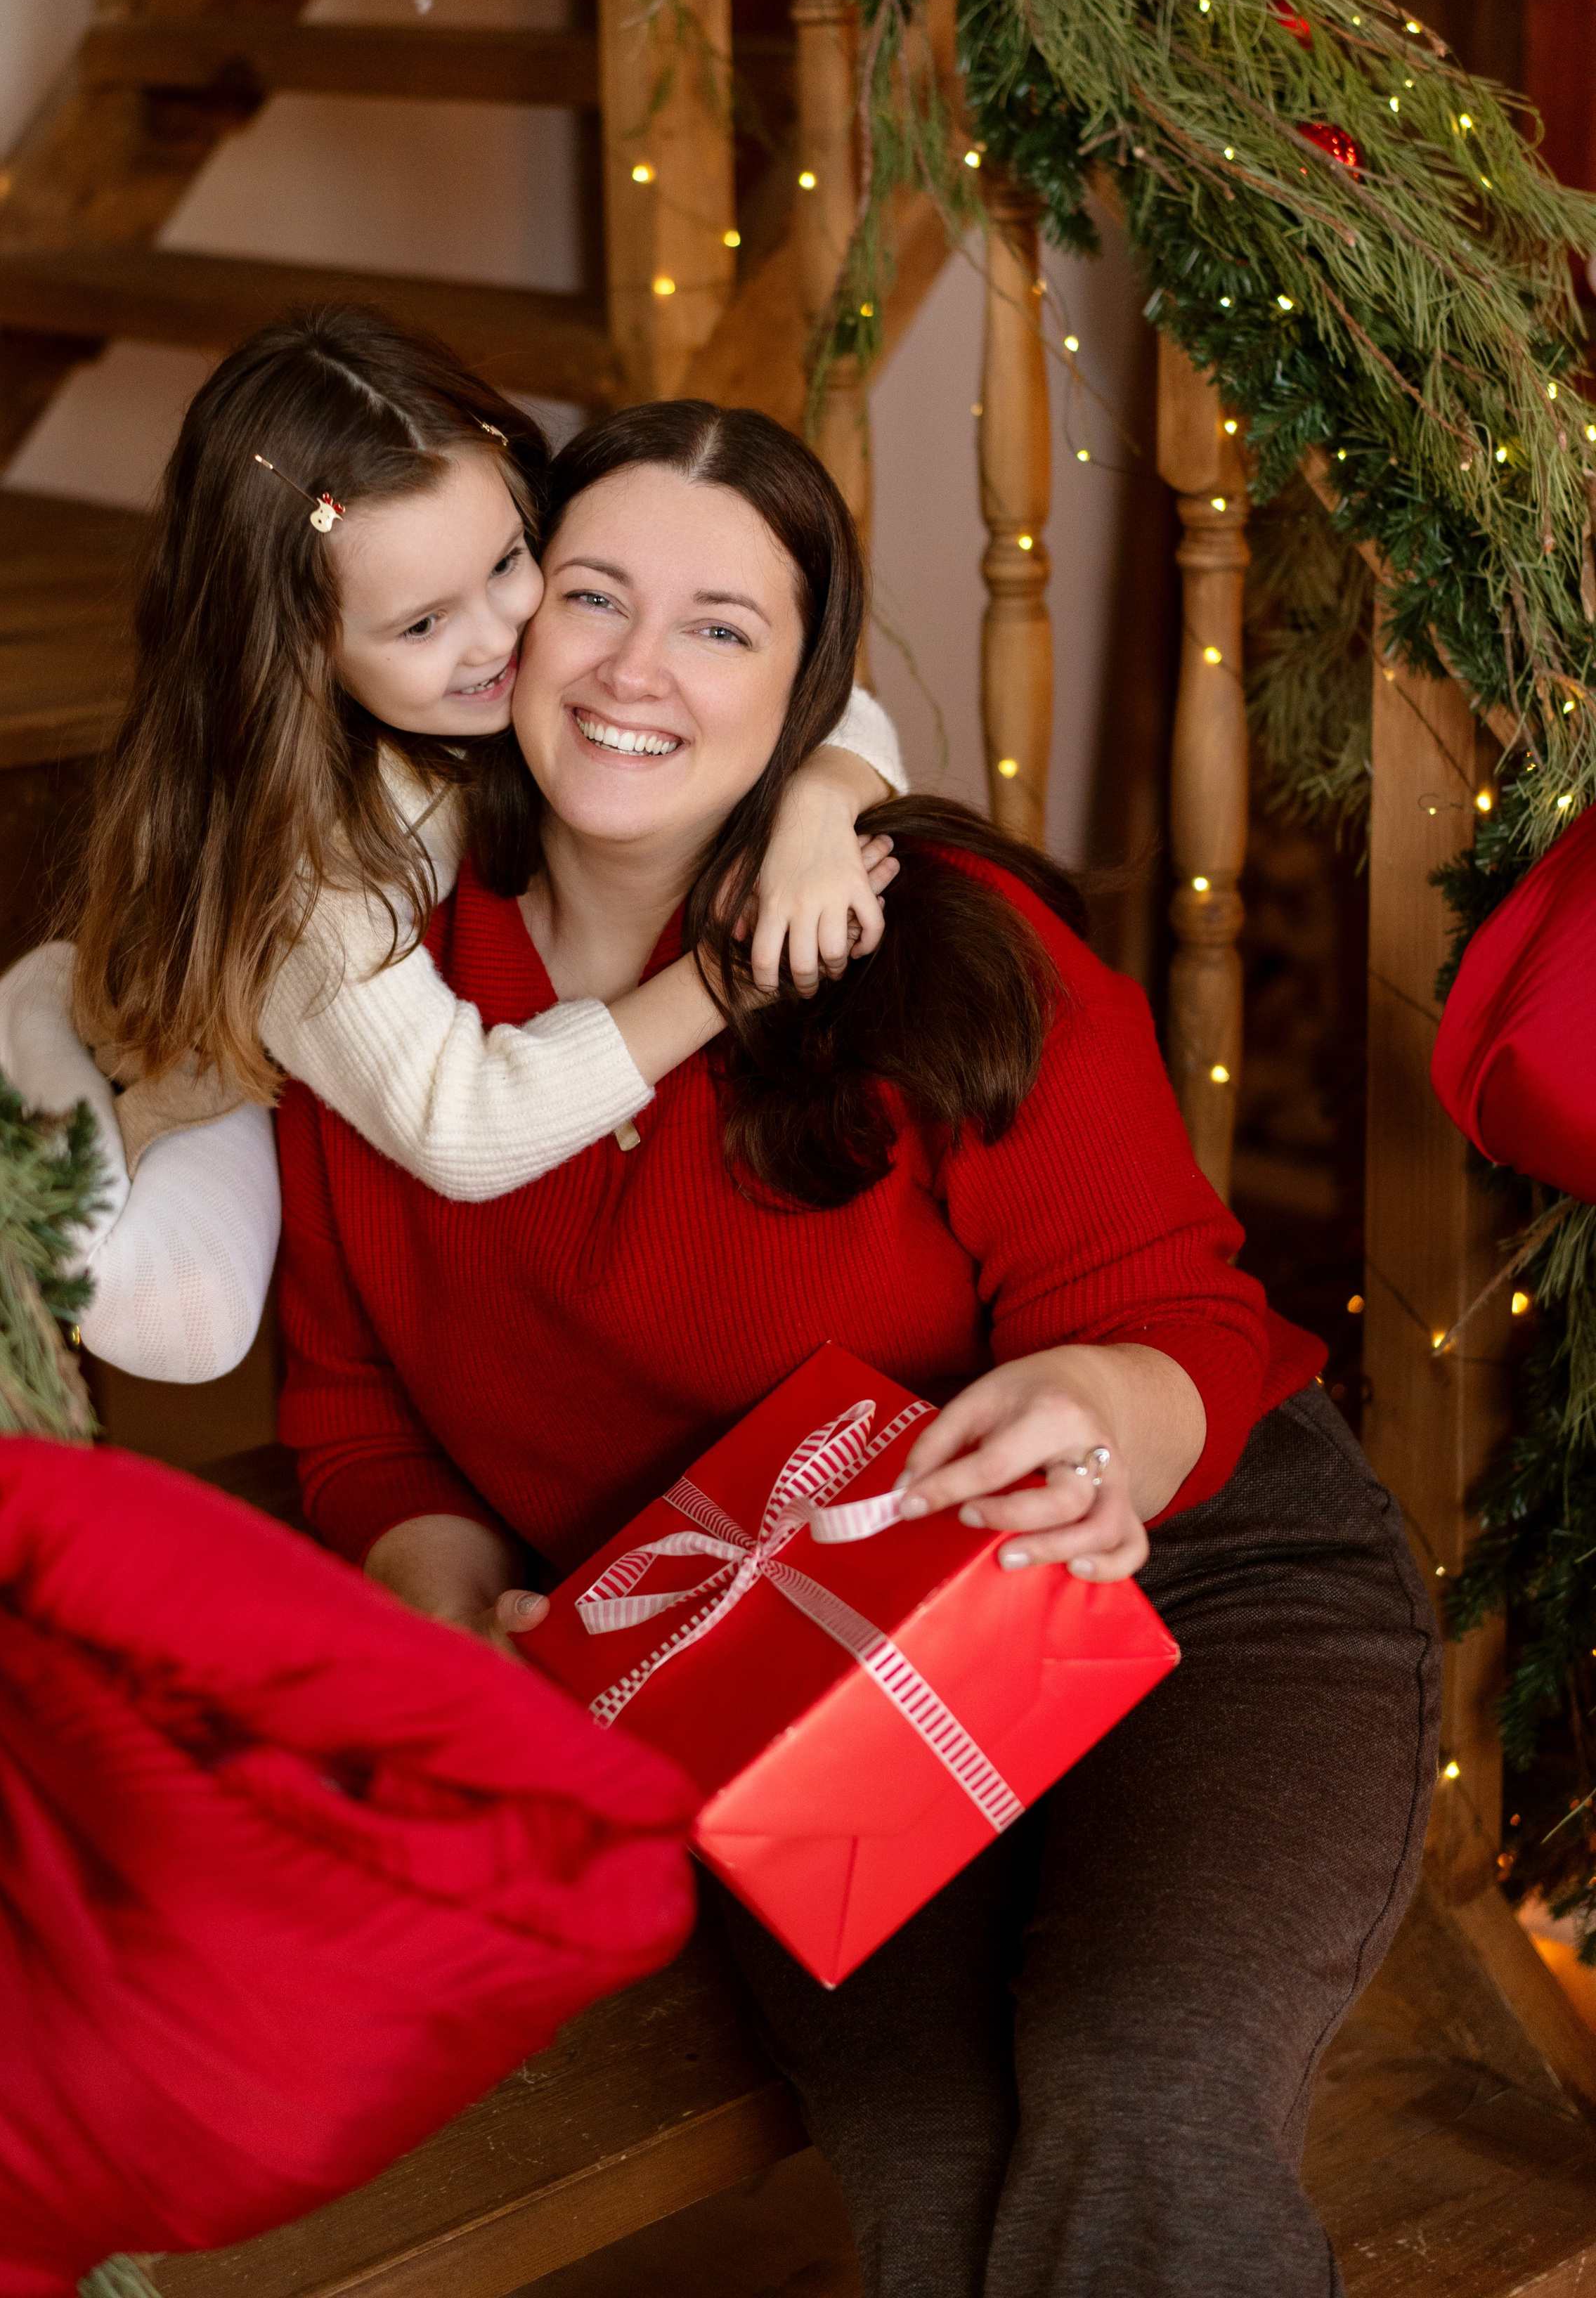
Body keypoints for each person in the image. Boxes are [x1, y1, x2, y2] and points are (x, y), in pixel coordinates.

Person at [276, 398, 1442, 2298]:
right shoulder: (378, 1011)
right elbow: (355, 1421)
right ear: (509, 631)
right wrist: (451, 1622)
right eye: (595, 597)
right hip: (778, 1674)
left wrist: (1090, 1411)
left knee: (1141, 2084)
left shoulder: (939, 944)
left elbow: (1175, 1317)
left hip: (1194, 1581)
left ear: (804, 692)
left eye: (722, 628)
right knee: (936, 2158)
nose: (641, 670)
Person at [0, 308, 904, 1380]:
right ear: (301, 659)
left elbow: (819, 699)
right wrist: (729, 976)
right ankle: (8, 1052)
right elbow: (459, 1129)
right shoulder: (308, 862)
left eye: (512, 562)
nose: (502, 637)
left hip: (307, 1046)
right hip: (177, 1069)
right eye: (422, 627)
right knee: (181, 1327)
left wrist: (824, 804)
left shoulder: (493, 637)